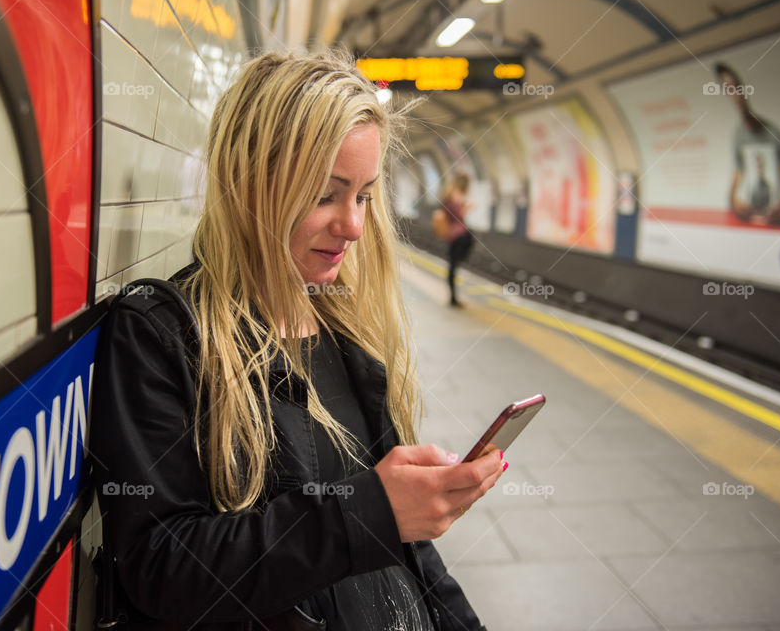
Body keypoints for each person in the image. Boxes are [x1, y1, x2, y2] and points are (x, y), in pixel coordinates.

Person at [90, 49, 507, 631]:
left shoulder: (345, 331)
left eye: (362, 195)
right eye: (325, 195)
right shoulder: (163, 334)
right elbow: (160, 567)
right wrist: (368, 514)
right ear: (248, 183)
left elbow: (409, 552)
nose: (354, 226)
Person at [715, 62, 780, 226]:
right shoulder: (738, 135)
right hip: (750, 215)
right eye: (729, 89)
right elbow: (738, 169)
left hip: (775, 215)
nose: (736, 93)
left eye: (737, 87)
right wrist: (733, 201)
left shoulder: (774, 131)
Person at [440, 173, 474, 307]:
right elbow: (459, 215)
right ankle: (453, 299)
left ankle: (453, 297)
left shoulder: (447, 194)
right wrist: (468, 207)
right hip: (459, 235)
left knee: (452, 265)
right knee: (454, 266)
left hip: (452, 235)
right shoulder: (455, 195)